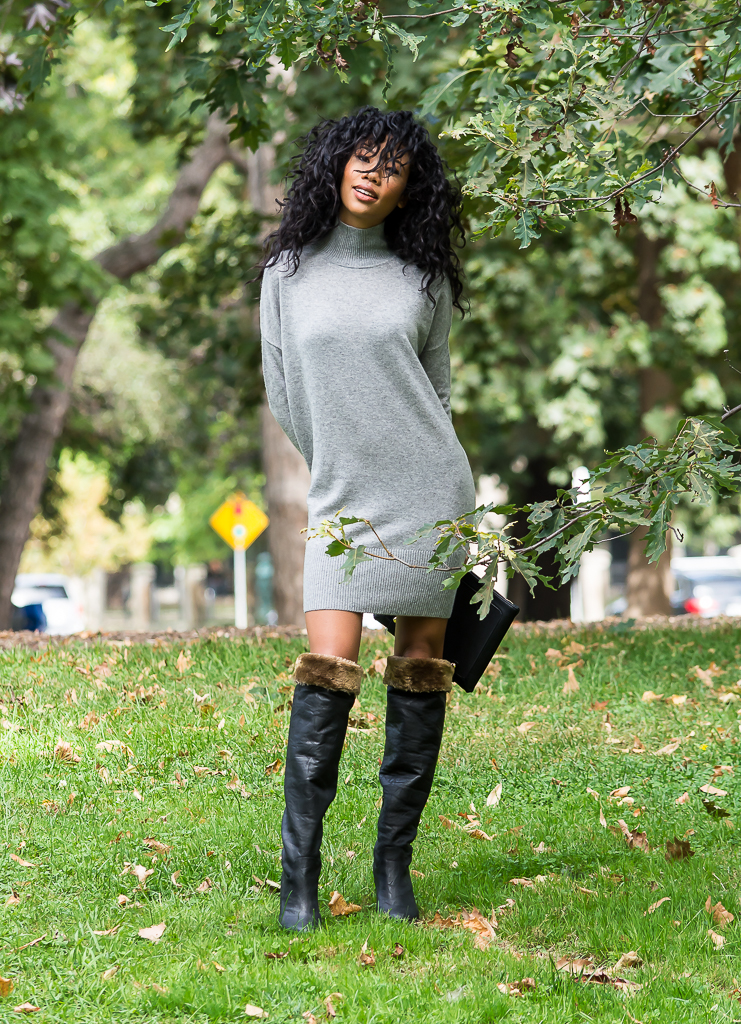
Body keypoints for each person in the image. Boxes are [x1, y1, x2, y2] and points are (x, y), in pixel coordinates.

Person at [259, 106, 475, 931]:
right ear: (336, 165)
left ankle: (393, 869)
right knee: (327, 669)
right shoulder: (287, 271)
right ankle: (299, 883)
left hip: (429, 491)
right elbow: (284, 392)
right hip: (341, 496)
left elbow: (438, 392)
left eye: (393, 167)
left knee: (419, 672)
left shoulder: (424, 278)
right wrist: (337, 467)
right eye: (361, 158)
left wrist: (429, 478)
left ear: (408, 190)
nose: (372, 174)